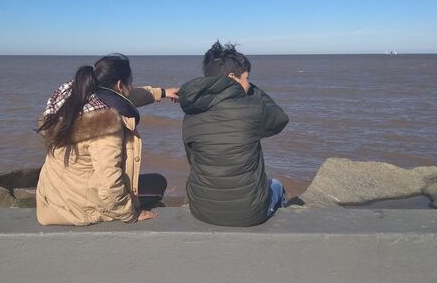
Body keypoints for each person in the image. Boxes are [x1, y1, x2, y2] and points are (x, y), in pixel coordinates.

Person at [35, 54, 179, 226]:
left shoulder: (76, 99)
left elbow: (124, 98)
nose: (131, 86)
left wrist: (161, 92)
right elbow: (109, 180)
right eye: (130, 82)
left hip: (53, 197)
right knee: (157, 183)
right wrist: (130, 214)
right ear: (120, 85)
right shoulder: (104, 125)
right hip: (75, 208)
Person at [178, 41, 289, 226]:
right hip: (250, 213)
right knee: (277, 186)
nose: (248, 83)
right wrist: (253, 90)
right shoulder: (252, 108)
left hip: (201, 210)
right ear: (232, 77)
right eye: (246, 78)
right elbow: (280, 119)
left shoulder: (190, 114)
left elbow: (193, 159)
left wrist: (240, 85)